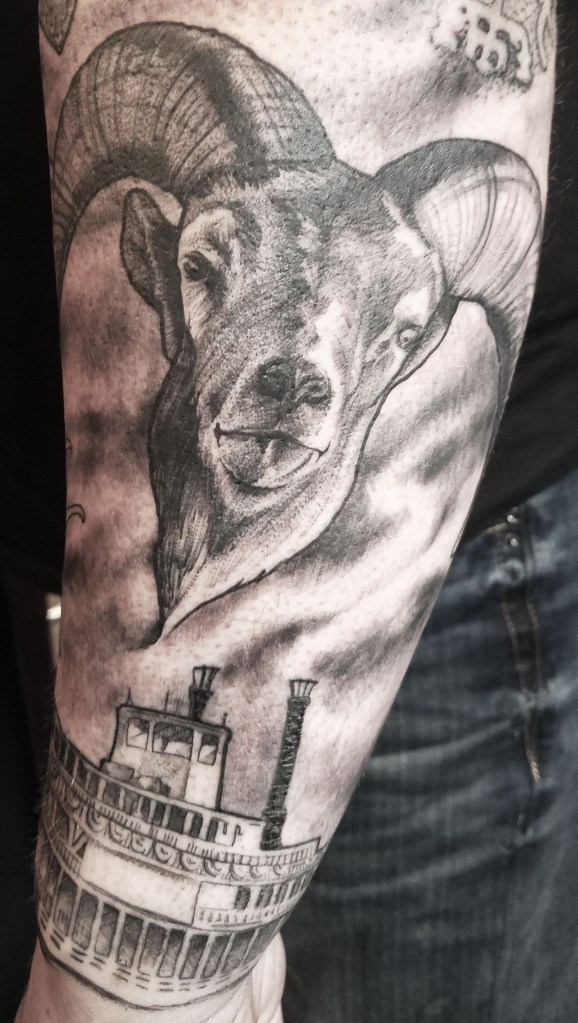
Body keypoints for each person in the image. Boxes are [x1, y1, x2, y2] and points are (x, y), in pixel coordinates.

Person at [1, 1, 576, 1021]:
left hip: (398, 625)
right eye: (202, 263)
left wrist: (135, 1002)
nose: (302, 373)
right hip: (90, 574)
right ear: (154, 261)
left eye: (401, 332)